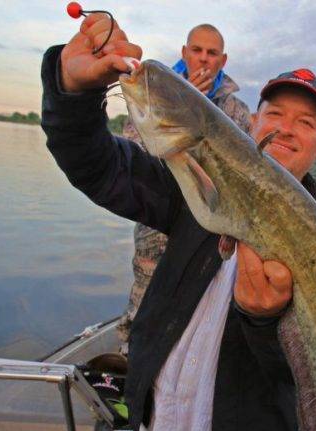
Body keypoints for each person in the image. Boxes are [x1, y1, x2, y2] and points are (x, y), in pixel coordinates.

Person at [41, 13, 316, 431]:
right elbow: (98, 166)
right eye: (275, 114)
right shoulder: (193, 187)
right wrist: (71, 93)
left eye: (306, 122)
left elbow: (301, 376)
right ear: (252, 122)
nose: (287, 129)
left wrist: (261, 319)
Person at [117, 24, 251, 350]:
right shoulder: (154, 88)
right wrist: (180, 103)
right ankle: (128, 362)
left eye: (212, 53)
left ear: (223, 59)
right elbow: (132, 149)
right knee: (144, 296)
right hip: (156, 218)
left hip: (206, 225)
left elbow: (243, 173)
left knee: (194, 307)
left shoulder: (238, 111)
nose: (204, 58)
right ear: (184, 52)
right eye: (197, 50)